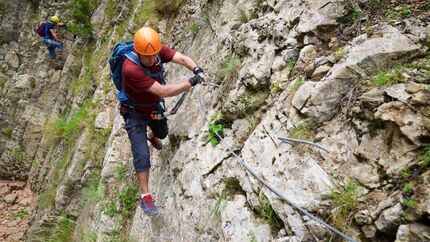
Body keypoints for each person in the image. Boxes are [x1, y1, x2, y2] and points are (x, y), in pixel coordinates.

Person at [120, 27, 206, 216]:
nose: (152, 60)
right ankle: (145, 197)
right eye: (147, 57)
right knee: (141, 154)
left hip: (151, 108)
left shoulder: (155, 50)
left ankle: (152, 135)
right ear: (138, 52)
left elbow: (182, 58)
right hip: (133, 112)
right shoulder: (130, 68)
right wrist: (192, 82)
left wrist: (196, 68)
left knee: (162, 133)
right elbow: (163, 91)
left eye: (154, 56)